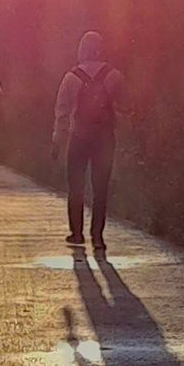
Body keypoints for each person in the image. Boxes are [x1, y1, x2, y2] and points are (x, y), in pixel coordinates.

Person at [52, 31, 126, 252]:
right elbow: (124, 109)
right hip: (104, 139)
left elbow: (62, 113)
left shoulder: (71, 77)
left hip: (79, 138)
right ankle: (98, 236)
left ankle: (76, 233)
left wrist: (57, 140)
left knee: (76, 186)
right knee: (100, 187)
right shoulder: (114, 76)